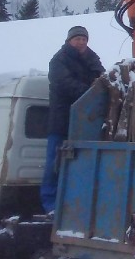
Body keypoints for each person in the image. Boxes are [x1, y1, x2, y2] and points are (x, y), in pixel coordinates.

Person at [41, 25, 104, 214]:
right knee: (55, 164)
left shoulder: (92, 59)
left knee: (81, 164)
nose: (81, 42)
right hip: (62, 121)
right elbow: (65, 84)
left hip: (86, 124)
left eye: (84, 39)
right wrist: (91, 92)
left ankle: (77, 203)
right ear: (69, 40)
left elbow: (102, 78)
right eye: (78, 39)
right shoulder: (59, 60)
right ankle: (50, 203)